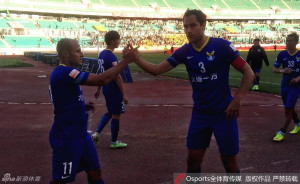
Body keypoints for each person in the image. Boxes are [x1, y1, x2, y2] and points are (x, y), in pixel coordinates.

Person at [128, 9, 254, 173]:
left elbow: (249, 72)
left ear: (203, 25)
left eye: (193, 25)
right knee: (193, 161)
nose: (188, 30)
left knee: (229, 162)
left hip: (223, 114)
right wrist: (136, 58)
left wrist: (237, 99)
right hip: (200, 114)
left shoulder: (221, 46)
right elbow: (157, 70)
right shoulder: (184, 51)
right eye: (185, 26)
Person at [49, 38, 137, 184]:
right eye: (77, 51)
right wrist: (126, 61)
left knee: (95, 174)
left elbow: (63, 99)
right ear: (65, 54)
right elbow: (100, 80)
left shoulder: (67, 73)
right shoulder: (64, 72)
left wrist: (82, 106)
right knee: (60, 181)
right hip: (66, 138)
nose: (82, 54)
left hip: (82, 136)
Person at [92, 31, 128, 149]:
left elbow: (100, 74)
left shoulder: (101, 54)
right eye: (118, 39)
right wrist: (124, 94)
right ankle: (114, 141)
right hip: (113, 89)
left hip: (106, 88)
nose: (119, 41)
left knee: (110, 112)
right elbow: (117, 76)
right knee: (116, 114)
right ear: (112, 41)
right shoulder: (111, 56)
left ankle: (97, 133)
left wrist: (99, 89)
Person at [273, 33, 300, 142]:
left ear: (296, 42)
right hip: (285, 84)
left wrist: (298, 78)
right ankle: (297, 123)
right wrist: (282, 70)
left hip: (296, 85)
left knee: (288, 108)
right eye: (287, 40)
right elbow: (274, 69)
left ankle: (281, 131)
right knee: (288, 107)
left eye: (290, 41)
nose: (287, 43)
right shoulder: (282, 54)